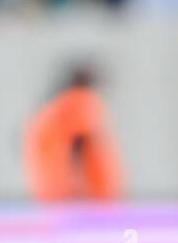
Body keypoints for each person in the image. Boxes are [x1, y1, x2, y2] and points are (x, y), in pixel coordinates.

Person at [22, 64, 123, 203]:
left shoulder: (50, 107)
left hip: (48, 189)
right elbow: (80, 144)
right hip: (78, 196)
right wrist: (79, 186)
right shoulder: (80, 100)